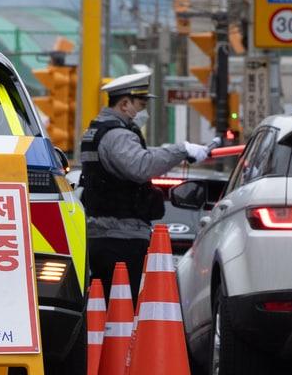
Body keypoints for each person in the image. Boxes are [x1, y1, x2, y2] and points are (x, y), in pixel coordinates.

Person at [77, 72, 211, 304]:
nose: (144, 111)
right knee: (122, 309)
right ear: (125, 103)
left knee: (110, 308)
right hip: (121, 238)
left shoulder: (99, 131)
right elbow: (141, 165)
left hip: (107, 235)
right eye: (141, 104)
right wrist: (181, 149)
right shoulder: (117, 135)